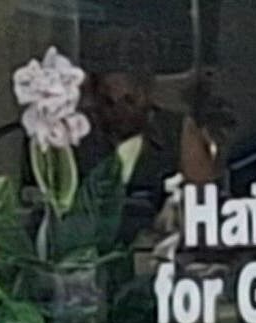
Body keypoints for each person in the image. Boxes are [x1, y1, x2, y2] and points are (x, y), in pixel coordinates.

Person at [82, 68, 222, 224]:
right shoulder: (78, 135)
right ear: (95, 100)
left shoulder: (177, 130)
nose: (119, 111)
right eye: (109, 102)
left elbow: (203, 197)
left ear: (147, 95)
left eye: (129, 100)